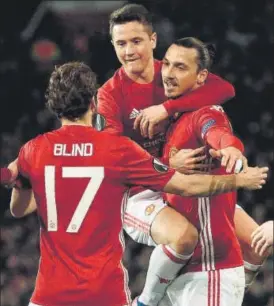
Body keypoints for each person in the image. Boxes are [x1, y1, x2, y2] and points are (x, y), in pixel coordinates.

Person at [1, 62, 268, 306]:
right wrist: (237, 180)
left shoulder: (34, 151)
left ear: (54, 106)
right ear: (94, 103)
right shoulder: (116, 150)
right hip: (104, 293)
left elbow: (19, 209)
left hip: (49, 295)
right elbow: (185, 186)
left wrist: (20, 181)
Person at [97, 3, 238, 300]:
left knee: (251, 242)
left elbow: (224, 89)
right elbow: (113, 161)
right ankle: (147, 300)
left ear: (153, 40)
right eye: (121, 43)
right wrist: (165, 164)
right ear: (112, 45)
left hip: (180, 182)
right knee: (185, 238)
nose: (129, 51)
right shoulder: (109, 96)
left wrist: (166, 107)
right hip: (138, 191)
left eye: (137, 41)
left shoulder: (171, 72)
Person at [136, 37, 265, 306]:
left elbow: (216, 130)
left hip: (210, 274)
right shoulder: (172, 118)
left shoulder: (204, 112)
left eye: (181, 68)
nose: (169, 74)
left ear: (201, 77)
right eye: (167, 65)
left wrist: (230, 148)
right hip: (182, 273)